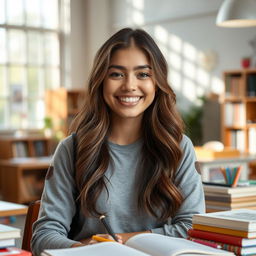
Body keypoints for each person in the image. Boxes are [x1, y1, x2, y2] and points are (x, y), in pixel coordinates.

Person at [31, 27, 205, 256]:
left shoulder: (179, 148)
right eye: (116, 74)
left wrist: (125, 240)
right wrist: (85, 249)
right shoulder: (71, 149)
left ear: (157, 82)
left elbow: (192, 228)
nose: (130, 86)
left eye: (143, 74)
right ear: (101, 80)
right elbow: (44, 236)